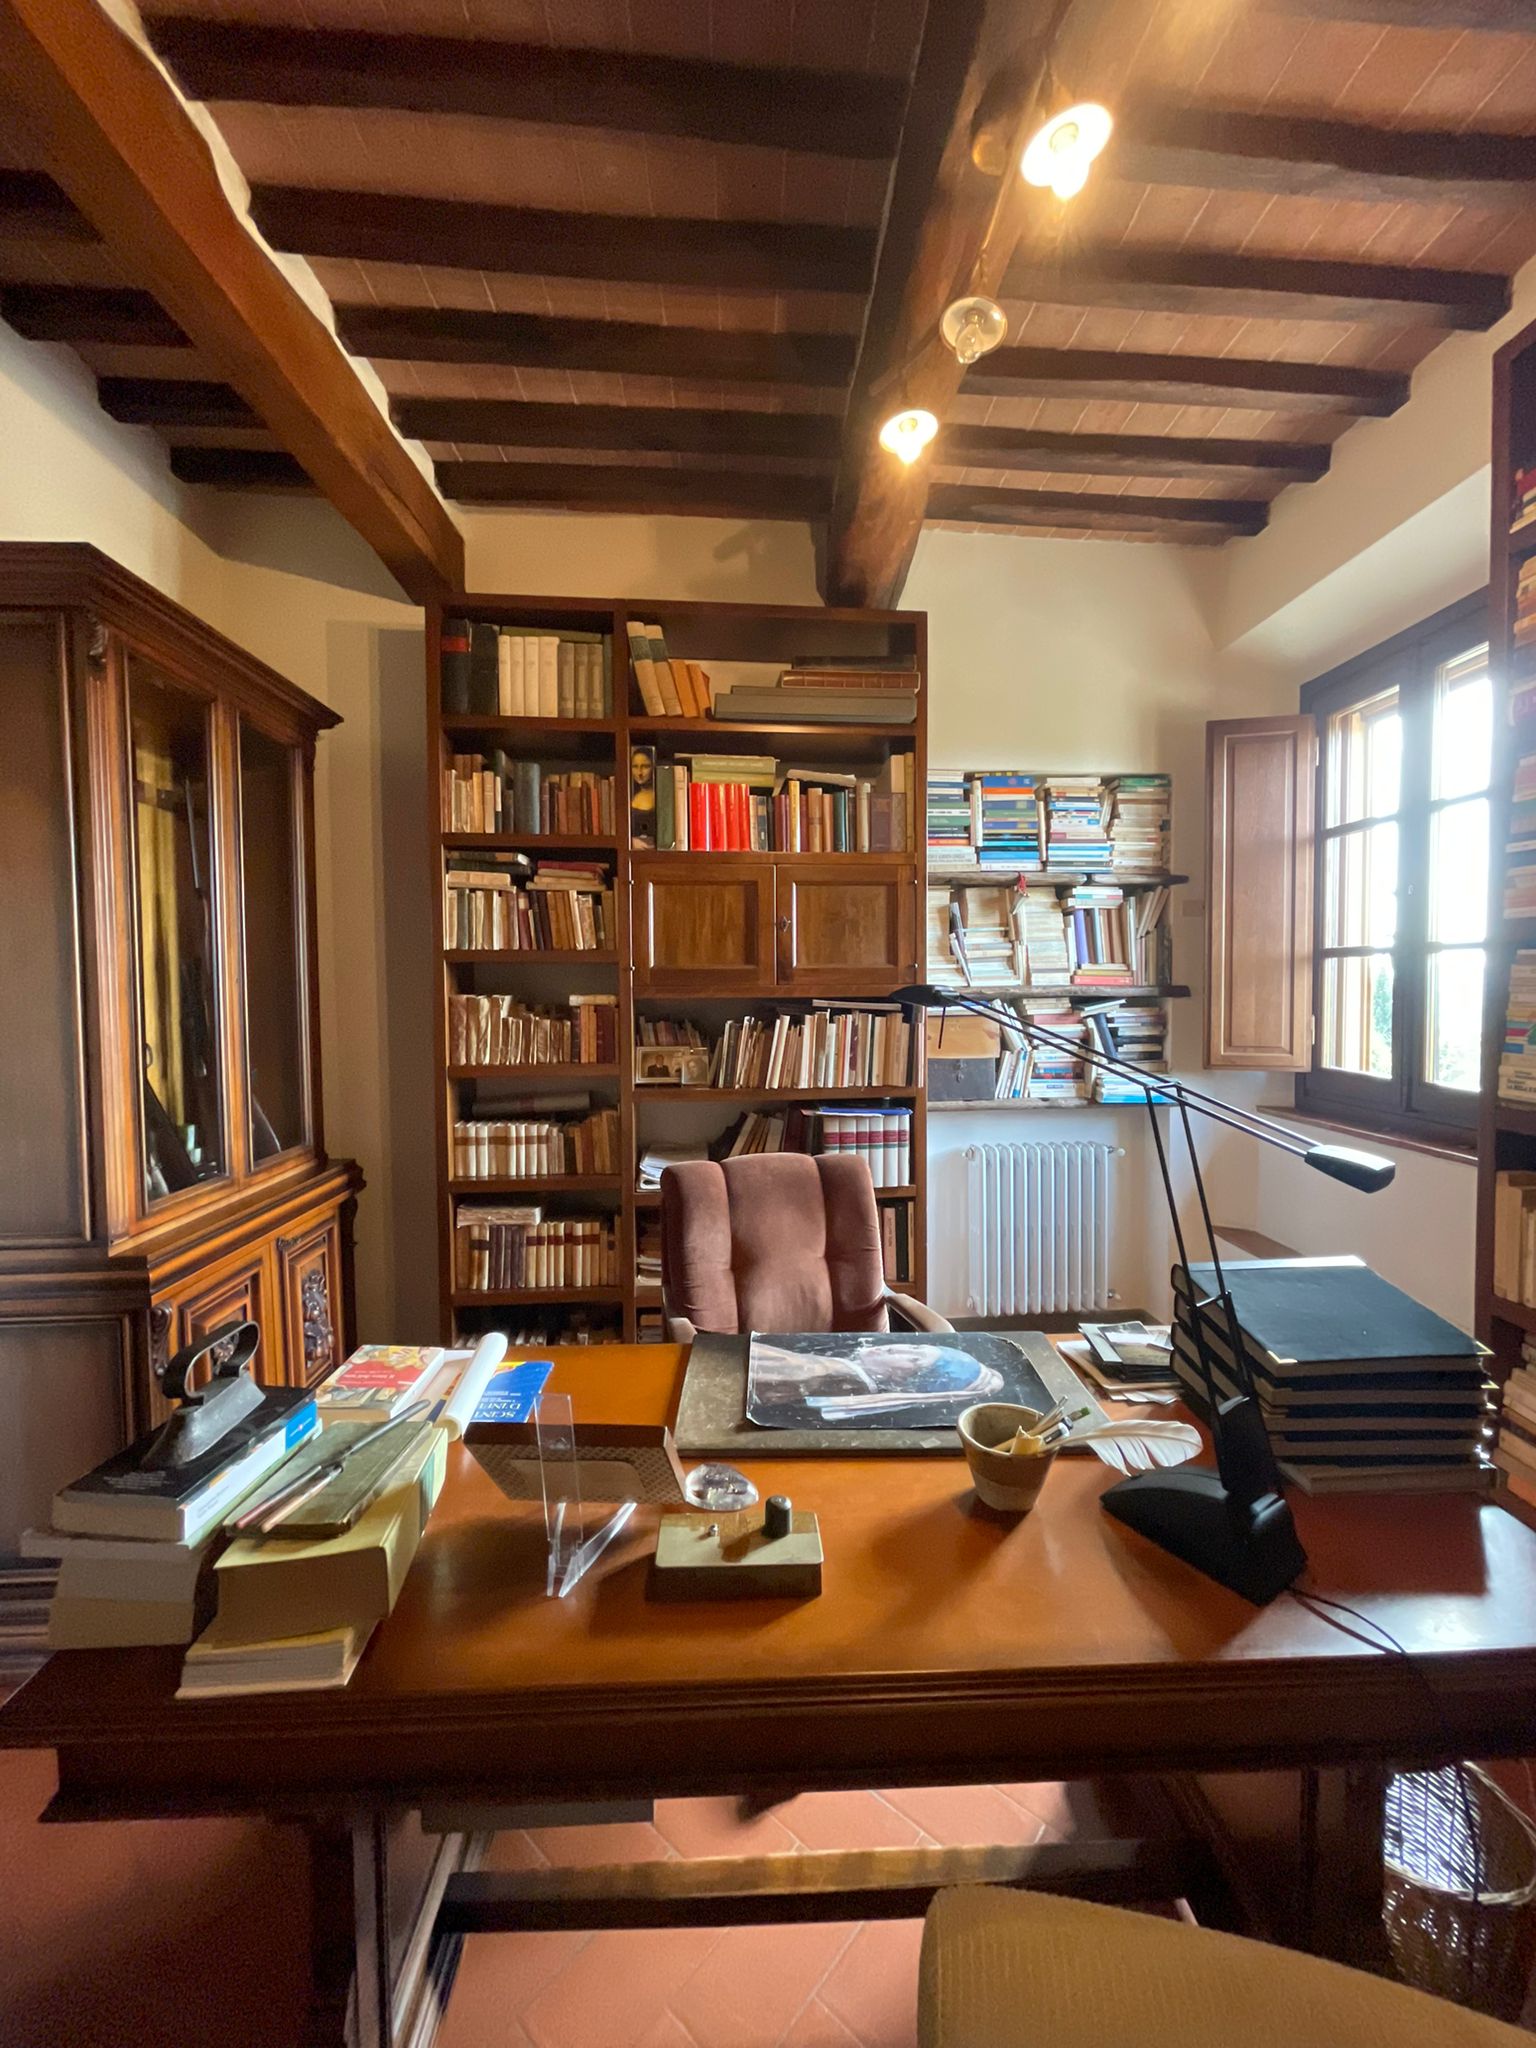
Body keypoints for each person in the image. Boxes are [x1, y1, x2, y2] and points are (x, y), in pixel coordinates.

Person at [748, 1337, 1004, 1425]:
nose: (897, 1348)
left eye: (914, 1361)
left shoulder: (834, 1375)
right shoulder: (844, 1371)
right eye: (915, 1347)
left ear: (905, 1383)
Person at [630, 745, 656, 848]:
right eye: (635, 767)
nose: (639, 773)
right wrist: (631, 842)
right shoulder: (627, 795)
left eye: (645, 766)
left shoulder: (662, 795)